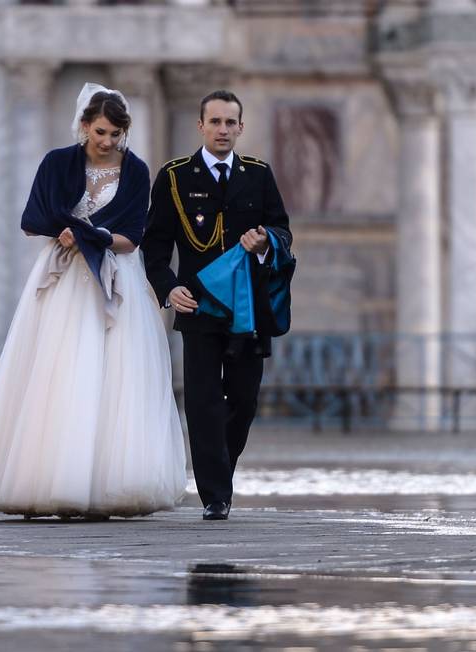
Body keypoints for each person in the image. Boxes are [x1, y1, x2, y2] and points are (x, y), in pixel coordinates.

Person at [0, 83, 187, 518]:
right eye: (100, 133)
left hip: (114, 276)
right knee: (59, 371)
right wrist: (68, 234)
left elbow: (133, 236)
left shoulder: (135, 171)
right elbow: (33, 218)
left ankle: (107, 483)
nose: (108, 142)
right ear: (83, 127)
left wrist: (89, 235)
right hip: (64, 277)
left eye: (116, 134)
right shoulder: (58, 163)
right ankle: (52, 477)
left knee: (116, 375)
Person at [141, 89, 293, 521]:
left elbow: (283, 230)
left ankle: (220, 468)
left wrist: (265, 242)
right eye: (215, 122)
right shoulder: (174, 177)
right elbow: (155, 247)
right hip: (199, 307)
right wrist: (169, 289)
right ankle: (215, 494)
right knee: (203, 400)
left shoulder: (258, 175)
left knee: (244, 400)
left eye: (230, 123)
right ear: (201, 126)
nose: (223, 130)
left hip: (249, 309)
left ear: (241, 128)